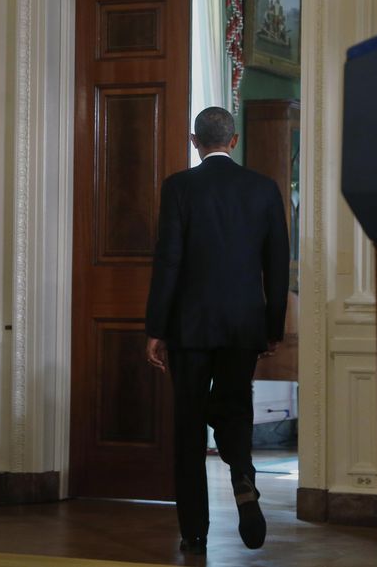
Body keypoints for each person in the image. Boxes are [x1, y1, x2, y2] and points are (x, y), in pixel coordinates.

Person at [145, 107, 290, 556]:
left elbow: (169, 260)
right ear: (234, 139)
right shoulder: (264, 189)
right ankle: (243, 476)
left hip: (190, 327)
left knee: (188, 426)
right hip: (244, 324)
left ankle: (194, 532)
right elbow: (277, 265)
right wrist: (272, 328)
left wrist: (156, 328)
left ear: (195, 141)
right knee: (233, 408)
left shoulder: (179, 187)